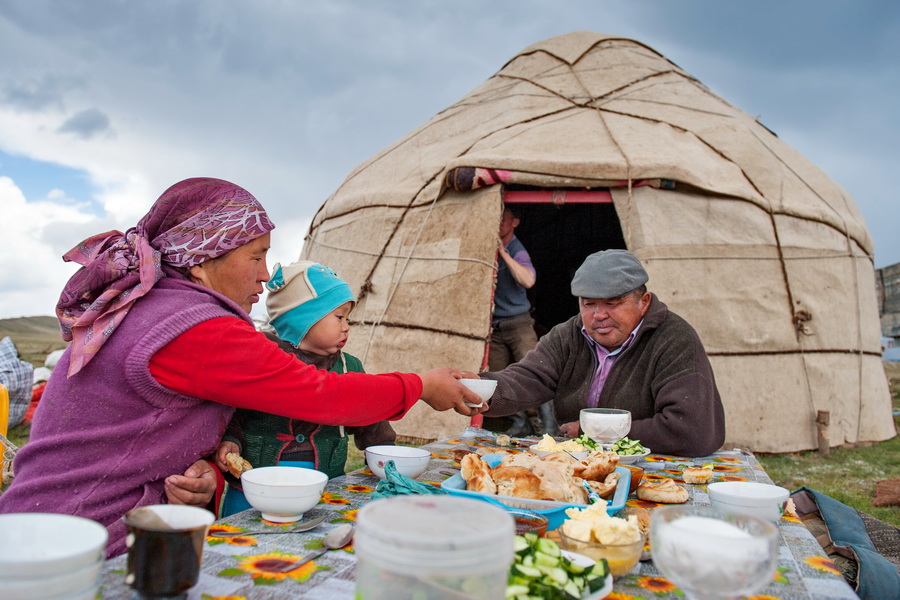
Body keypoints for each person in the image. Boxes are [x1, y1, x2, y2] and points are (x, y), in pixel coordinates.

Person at [0, 177, 484, 557]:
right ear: (200, 260)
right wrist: (420, 385)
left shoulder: (151, 308)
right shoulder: (191, 326)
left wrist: (204, 471)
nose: (265, 275)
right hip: (82, 532)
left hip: (61, 519)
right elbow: (320, 393)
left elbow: (131, 429)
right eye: (256, 256)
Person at [479, 249, 725, 457]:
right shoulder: (568, 335)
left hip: (652, 472)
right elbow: (528, 378)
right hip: (580, 467)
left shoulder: (674, 339)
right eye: (589, 304)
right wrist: (472, 389)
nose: (599, 315)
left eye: (612, 303)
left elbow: (693, 431)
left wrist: (593, 432)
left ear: (645, 302)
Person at [215, 260, 395, 516]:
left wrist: (384, 449)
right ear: (303, 319)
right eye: (339, 317)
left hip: (324, 486)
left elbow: (368, 413)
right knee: (241, 540)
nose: (346, 326)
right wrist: (230, 439)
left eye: (348, 319)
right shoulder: (260, 358)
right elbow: (233, 409)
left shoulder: (348, 366)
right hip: (254, 489)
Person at [487, 205, 559, 436]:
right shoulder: (487, 247)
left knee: (536, 371)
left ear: (515, 222)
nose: (499, 223)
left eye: (504, 219)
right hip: (495, 326)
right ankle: (520, 422)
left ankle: (549, 425)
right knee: (498, 375)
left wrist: (503, 253)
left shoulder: (517, 250)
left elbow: (528, 280)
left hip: (518, 323)